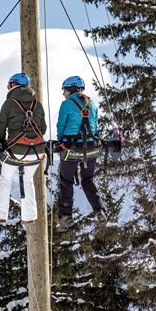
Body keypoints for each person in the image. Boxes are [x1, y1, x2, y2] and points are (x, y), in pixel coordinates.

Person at [0, 73, 47, 225]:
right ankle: (29, 216)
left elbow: (1, 125)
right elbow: (43, 128)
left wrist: (1, 142)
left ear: (12, 85)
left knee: (5, 179)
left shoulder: (9, 103)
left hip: (15, 151)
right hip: (37, 151)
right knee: (27, 180)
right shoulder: (38, 104)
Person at [55, 75, 106, 232]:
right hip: (92, 147)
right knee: (88, 179)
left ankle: (65, 218)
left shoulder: (66, 104)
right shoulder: (93, 104)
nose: (63, 93)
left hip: (71, 147)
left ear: (70, 89)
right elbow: (95, 127)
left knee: (66, 181)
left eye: (64, 90)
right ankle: (99, 211)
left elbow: (61, 126)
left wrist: (60, 143)